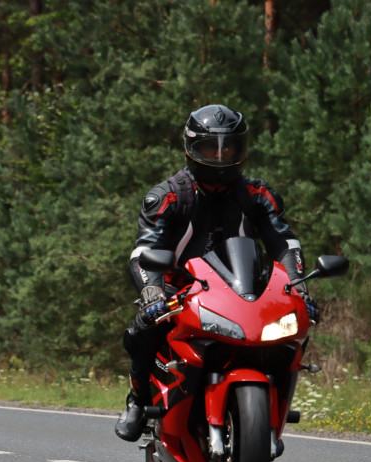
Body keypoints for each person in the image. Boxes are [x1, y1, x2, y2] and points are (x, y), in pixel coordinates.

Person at [115, 103, 318, 442]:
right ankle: (137, 399)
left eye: (230, 148)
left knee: (295, 327)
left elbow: (283, 244)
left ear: (243, 148)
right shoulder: (166, 197)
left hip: (245, 291)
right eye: (211, 147)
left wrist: (300, 288)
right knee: (141, 331)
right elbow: (142, 250)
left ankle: (274, 405)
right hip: (181, 291)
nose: (221, 156)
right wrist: (152, 290)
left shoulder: (258, 195)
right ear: (191, 147)